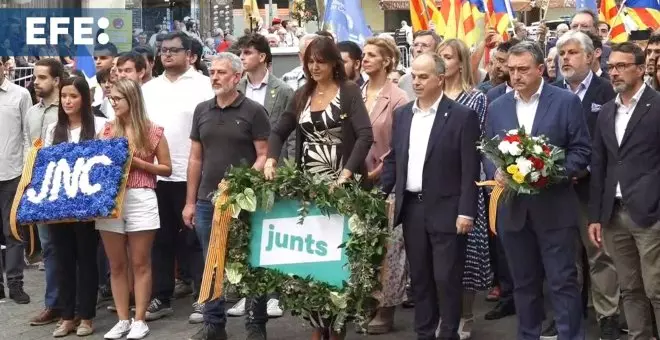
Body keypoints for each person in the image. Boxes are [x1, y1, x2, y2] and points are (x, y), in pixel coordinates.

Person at [263, 37, 373, 340]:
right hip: (309, 188)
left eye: (320, 61)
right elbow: (279, 130)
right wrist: (271, 159)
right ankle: (317, 326)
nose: (314, 67)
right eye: (310, 61)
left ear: (333, 63)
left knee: (338, 262)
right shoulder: (302, 94)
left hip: (341, 186)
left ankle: (337, 328)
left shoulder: (349, 92)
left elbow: (365, 136)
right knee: (313, 260)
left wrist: (346, 175)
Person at [484, 41, 591, 340]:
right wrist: (496, 170)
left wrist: (548, 172)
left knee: (562, 282)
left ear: (541, 69)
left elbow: (582, 151)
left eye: (523, 70)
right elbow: (487, 149)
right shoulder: (497, 106)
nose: (515, 76)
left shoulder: (565, 102)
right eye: (511, 70)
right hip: (514, 210)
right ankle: (528, 334)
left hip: (554, 207)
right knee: (524, 283)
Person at [379, 52, 480, 340]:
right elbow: (395, 160)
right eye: (414, 75)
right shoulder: (403, 115)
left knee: (446, 278)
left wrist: (466, 211)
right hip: (412, 208)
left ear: (440, 77)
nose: (417, 81)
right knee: (420, 278)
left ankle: (448, 332)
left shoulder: (462, 116)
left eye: (424, 76)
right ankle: (425, 332)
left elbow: (469, 167)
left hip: (448, 210)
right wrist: (380, 195)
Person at [183, 53, 271, 340]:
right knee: (212, 261)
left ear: (236, 77)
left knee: (251, 261)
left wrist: (241, 183)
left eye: (221, 72)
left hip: (245, 201)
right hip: (209, 202)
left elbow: (264, 156)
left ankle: (256, 325)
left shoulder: (254, 111)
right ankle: (213, 325)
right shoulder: (202, 110)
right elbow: (195, 159)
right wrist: (190, 201)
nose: (215, 77)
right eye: (212, 72)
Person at [589, 42, 660, 340]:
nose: (613, 72)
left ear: (641, 69)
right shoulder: (606, 112)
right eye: (610, 67)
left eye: (621, 66)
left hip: (650, 215)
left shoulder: (657, 107)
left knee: (657, 288)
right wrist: (595, 215)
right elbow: (600, 165)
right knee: (630, 289)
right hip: (614, 215)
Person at [141, 30, 213, 325]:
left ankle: (202, 296)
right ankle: (162, 296)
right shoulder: (149, 89)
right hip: (156, 174)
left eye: (173, 50)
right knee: (160, 238)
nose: (166, 55)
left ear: (190, 55)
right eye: (162, 50)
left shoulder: (204, 85)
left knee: (195, 238)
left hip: (193, 172)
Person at [552, 30, 619, 340]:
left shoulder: (608, 93)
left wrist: (586, 168)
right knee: (563, 256)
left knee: (599, 254)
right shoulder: (551, 92)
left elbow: (614, 142)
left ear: (593, 56)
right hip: (557, 188)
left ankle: (608, 316)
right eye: (562, 53)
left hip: (593, 188)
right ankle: (567, 314)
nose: (565, 58)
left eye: (572, 52)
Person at [96, 79, 172, 340]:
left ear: (132, 99)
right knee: (116, 264)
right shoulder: (106, 131)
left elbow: (166, 168)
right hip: (111, 200)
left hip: (141, 196)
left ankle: (139, 319)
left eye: (118, 99)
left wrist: (138, 163)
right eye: (112, 99)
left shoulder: (152, 131)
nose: (113, 103)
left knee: (140, 262)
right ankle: (122, 318)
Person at [44, 76, 107, 337]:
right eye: (64, 97)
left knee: (87, 260)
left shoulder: (101, 125)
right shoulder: (52, 129)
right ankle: (67, 315)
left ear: (85, 98)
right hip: (59, 207)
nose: (68, 101)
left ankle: (87, 316)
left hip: (87, 206)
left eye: (73, 96)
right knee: (63, 260)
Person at [360, 37, 409, 335]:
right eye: (364, 55)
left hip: (386, 181)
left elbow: (400, 143)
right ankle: (365, 301)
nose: (365, 59)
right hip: (356, 179)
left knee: (389, 248)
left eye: (372, 55)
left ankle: (386, 309)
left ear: (387, 61)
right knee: (364, 245)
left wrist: (380, 170)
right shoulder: (355, 93)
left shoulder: (399, 97)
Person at [25, 58, 65, 326]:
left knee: (71, 248)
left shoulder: (66, 109)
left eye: (42, 78)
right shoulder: (32, 112)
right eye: (35, 77)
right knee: (49, 247)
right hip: (39, 190)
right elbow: (29, 148)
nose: (36, 82)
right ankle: (53, 303)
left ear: (57, 81)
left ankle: (76, 301)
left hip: (65, 189)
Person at [0, 55, 32, 304]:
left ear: (4, 66)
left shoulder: (20, 95)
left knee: (13, 231)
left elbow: (27, 135)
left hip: (12, 174)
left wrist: (25, 171)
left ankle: (15, 284)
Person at [398, 30, 443, 99]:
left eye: (424, 45)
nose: (418, 49)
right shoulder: (404, 81)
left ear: (437, 50)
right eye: (415, 45)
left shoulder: (446, 81)